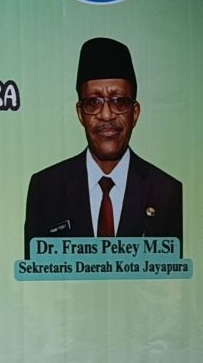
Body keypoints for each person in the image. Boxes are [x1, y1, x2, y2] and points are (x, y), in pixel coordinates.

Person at [24, 37, 182, 258]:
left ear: (134, 113)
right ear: (80, 113)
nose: (106, 115)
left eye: (118, 101)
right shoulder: (47, 188)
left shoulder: (167, 192)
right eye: (93, 102)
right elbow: (36, 283)